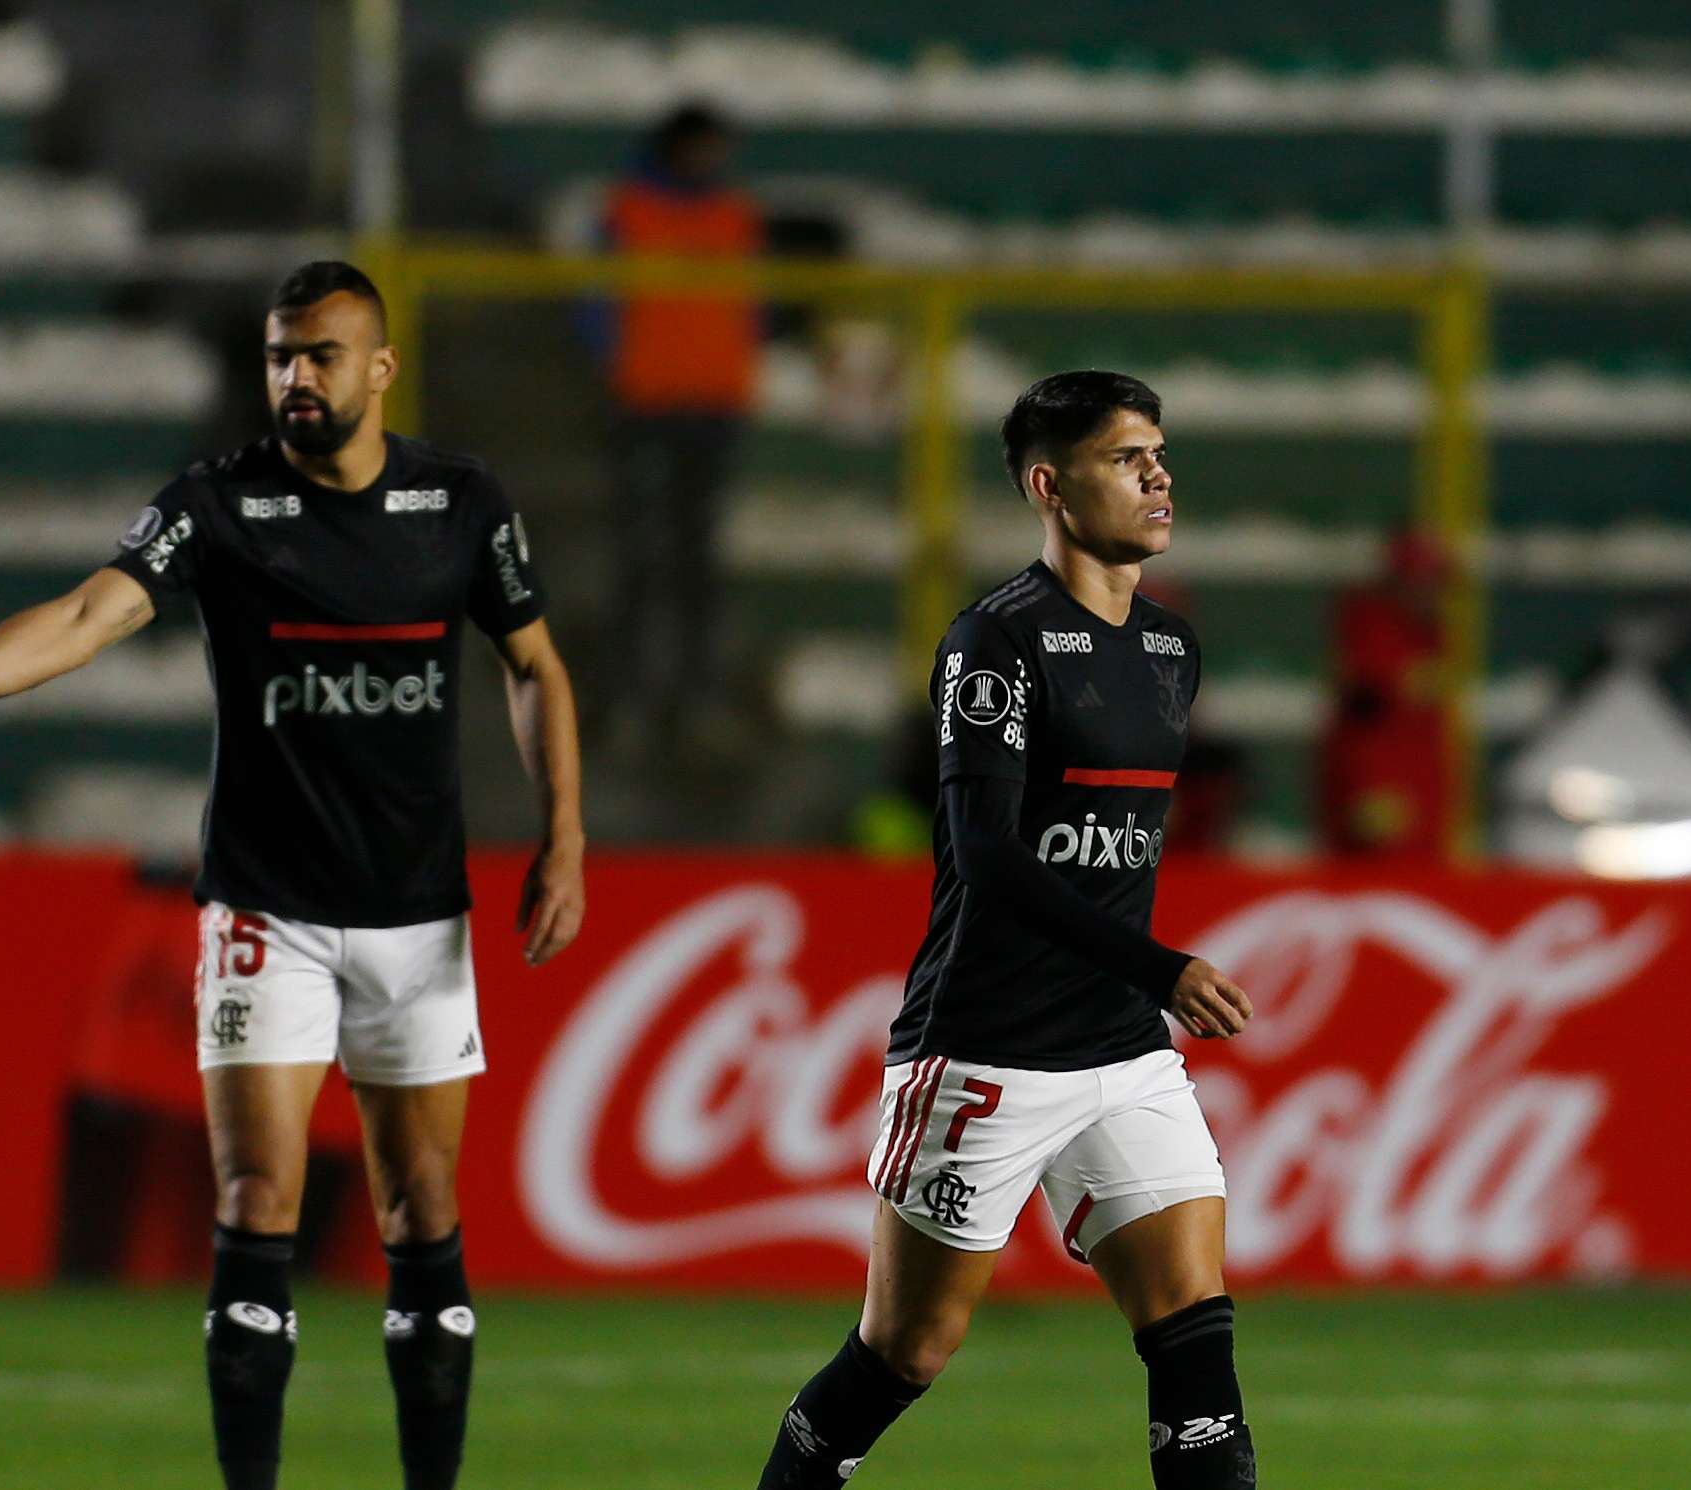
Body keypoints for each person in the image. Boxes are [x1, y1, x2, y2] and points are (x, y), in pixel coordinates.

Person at [0, 260, 588, 1490]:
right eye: (279, 355)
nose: (295, 378)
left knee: (421, 1211)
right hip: (262, 908)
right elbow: (87, 613)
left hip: (415, 913)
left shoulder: (462, 500)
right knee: (256, 1191)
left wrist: (564, 834)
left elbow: (532, 663)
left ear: (378, 367)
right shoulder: (217, 505)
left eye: (320, 354)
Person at [753, 372, 1259, 1490]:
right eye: (1126, 458)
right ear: (1048, 483)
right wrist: (1159, 963)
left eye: (1158, 452)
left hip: (1123, 1053)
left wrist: (1142, 987)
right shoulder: (993, 641)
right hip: (983, 1047)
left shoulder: (1172, 649)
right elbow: (984, 856)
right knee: (903, 1351)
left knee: (1194, 1335)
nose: (1157, 474)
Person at [598, 101, 763, 749]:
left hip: (713, 405)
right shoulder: (629, 211)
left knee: (697, 563)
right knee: (640, 558)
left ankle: (695, 697)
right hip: (646, 404)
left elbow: (752, 306)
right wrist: (618, 369)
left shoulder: (734, 215)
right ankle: (630, 697)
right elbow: (596, 306)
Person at [1317, 527, 1454, 857]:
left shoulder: (1430, 635)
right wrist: (1364, 788)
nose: (1428, 592)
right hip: (1383, 793)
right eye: (1419, 581)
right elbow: (1361, 724)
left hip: (1420, 791)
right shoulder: (1371, 632)